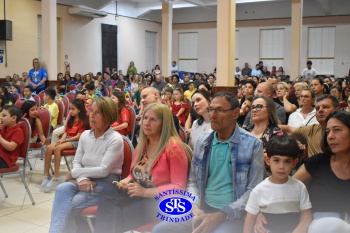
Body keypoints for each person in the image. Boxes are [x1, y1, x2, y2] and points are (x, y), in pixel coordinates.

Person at [152, 91, 264, 233]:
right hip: (202, 207)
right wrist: (194, 206)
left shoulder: (252, 144)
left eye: (220, 110)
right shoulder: (203, 141)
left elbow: (253, 190)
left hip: (232, 213)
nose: (213, 115)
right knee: (160, 230)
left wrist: (222, 214)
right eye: (211, 109)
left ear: (235, 113)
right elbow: (193, 181)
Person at [94, 103, 191, 233]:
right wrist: (127, 180)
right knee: (108, 192)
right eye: (145, 118)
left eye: (153, 120)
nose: (146, 123)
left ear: (164, 124)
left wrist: (145, 192)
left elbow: (179, 188)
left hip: (163, 201)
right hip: (141, 193)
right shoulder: (143, 145)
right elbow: (134, 173)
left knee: (123, 212)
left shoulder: (174, 148)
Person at [255, 111, 350, 233]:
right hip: (318, 225)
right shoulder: (318, 162)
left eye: (337, 130)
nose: (330, 136)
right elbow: (285, 187)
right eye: (327, 131)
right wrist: (263, 211)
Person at [49, 97, 123, 233]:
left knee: (67, 206)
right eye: (91, 111)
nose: (91, 115)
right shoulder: (85, 135)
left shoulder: (115, 139)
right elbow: (77, 161)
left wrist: (75, 173)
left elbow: (103, 171)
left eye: (98, 113)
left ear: (108, 116)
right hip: (83, 179)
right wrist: (82, 178)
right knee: (62, 189)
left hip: (105, 184)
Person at [244, 135, 312, 233]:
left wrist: (300, 229)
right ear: (268, 160)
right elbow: (250, 219)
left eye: (287, 161)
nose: (281, 166)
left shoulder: (300, 187)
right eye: (276, 160)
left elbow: (306, 214)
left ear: (294, 163)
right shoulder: (259, 190)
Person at [42, 99, 90, 192]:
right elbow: (65, 132)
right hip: (68, 139)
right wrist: (62, 139)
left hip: (76, 141)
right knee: (49, 148)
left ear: (79, 110)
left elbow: (78, 136)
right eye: (70, 109)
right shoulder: (70, 119)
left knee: (57, 148)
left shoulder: (83, 121)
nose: (70, 111)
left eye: (73, 109)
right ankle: (46, 175)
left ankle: (56, 177)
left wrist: (64, 141)